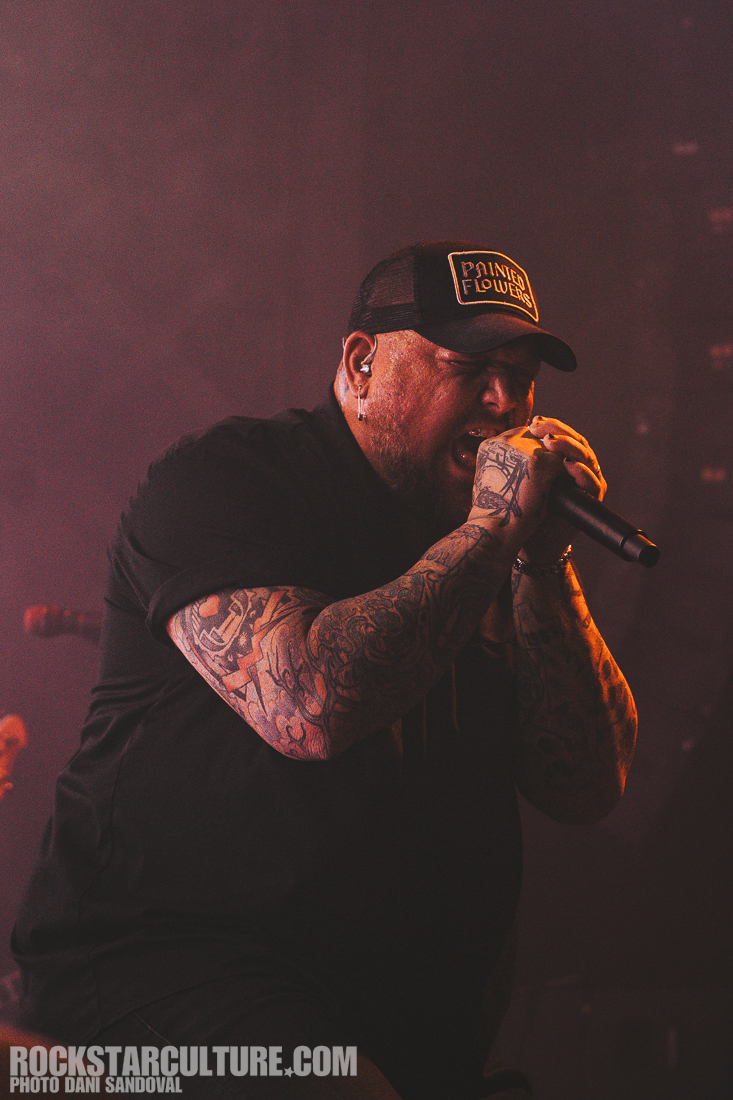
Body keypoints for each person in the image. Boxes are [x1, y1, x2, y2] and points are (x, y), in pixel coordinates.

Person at [11, 241, 637, 1099]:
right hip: (161, 979)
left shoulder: (495, 545)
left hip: (398, 1018)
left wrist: (546, 561)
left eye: (521, 377)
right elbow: (306, 705)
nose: (505, 403)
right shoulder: (227, 481)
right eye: (472, 369)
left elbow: (586, 784)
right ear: (361, 363)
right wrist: (491, 536)